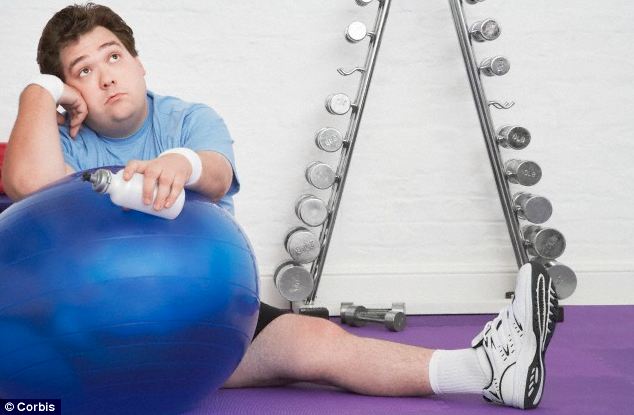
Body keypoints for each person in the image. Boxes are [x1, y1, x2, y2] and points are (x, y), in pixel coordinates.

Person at [1, 3, 559, 410]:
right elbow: (27, 182)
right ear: (68, 89)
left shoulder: (188, 120)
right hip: (82, 338)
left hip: (204, 327)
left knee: (316, 342)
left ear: (140, 62)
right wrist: (36, 93)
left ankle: (486, 369)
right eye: (82, 71)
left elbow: (215, 176)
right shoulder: (61, 137)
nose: (105, 75)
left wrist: (181, 165)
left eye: (113, 56)